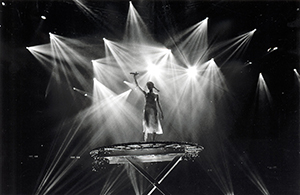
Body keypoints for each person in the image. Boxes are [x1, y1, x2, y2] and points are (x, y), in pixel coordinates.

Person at [132, 72, 164, 142]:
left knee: (155, 125)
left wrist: (161, 113)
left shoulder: (155, 95)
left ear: (151, 87)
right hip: (147, 110)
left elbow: (158, 104)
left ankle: (153, 140)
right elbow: (138, 86)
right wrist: (134, 77)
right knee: (147, 124)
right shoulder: (146, 94)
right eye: (148, 86)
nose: (148, 88)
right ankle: (146, 140)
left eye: (149, 86)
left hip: (154, 110)